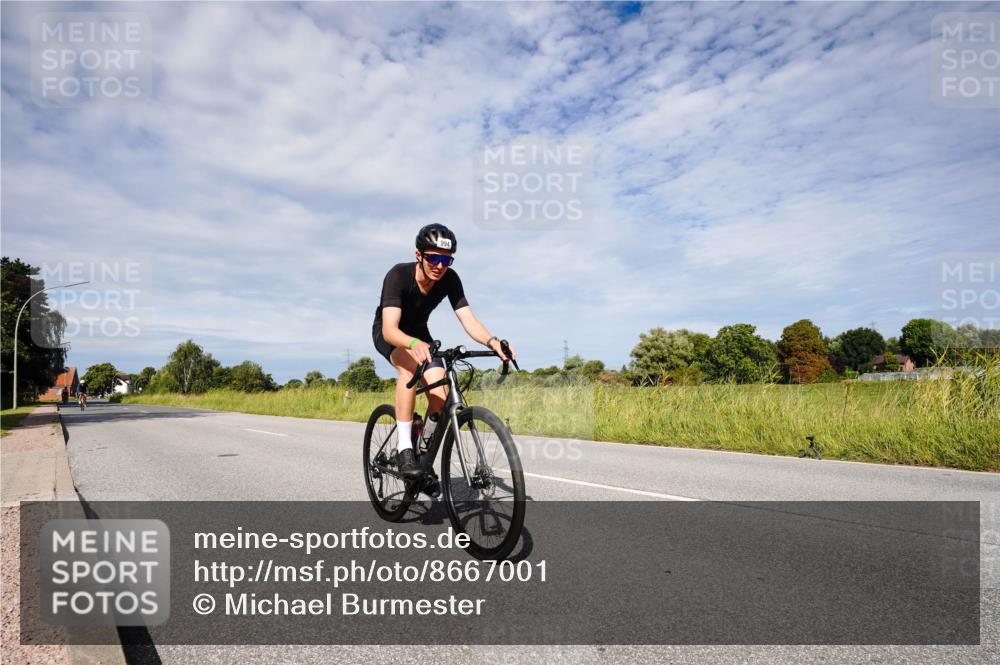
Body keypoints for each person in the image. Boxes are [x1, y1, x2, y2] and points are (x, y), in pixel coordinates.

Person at [372, 223, 516, 481]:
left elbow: (468, 319)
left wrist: (493, 341)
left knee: (441, 395)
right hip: (392, 334)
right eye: (434, 258)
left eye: (446, 260)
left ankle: (422, 456)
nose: (440, 266)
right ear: (419, 255)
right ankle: (405, 450)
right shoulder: (398, 275)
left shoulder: (450, 279)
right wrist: (412, 344)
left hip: (420, 335)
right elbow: (389, 329)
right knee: (410, 370)